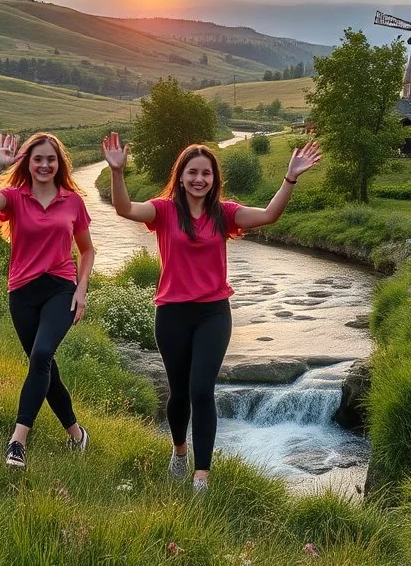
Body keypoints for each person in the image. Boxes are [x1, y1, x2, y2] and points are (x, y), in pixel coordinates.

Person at [101, 133, 322, 492]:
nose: (199, 179)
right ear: (181, 176)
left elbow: (269, 215)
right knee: (179, 393)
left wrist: (290, 178)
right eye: (192, 172)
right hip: (171, 314)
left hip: (213, 315)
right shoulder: (164, 210)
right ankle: (178, 451)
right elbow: (125, 209)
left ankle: (201, 476)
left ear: (213, 178)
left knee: (201, 389)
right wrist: (116, 172)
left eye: (205, 173)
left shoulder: (225, 214)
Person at [0, 133, 95, 468]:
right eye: (37, 159)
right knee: (45, 366)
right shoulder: (14, 197)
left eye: (50, 159)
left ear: (59, 163)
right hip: (22, 292)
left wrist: (81, 289)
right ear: (28, 162)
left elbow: (87, 249)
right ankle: (78, 435)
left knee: (40, 356)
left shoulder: (72, 201)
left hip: (60, 289)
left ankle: (17, 442)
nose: (44, 165)